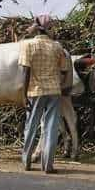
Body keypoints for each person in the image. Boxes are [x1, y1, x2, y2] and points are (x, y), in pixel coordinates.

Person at [20, 14, 69, 173]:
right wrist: (58, 83)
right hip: (54, 91)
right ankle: (47, 165)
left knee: (31, 126)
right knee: (51, 127)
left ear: (36, 29)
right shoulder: (57, 47)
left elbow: (25, 71)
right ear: (48, 29)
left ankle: (26, 161)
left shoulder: (27, 45)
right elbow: (64, 70)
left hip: (35, 91)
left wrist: (23, 95)